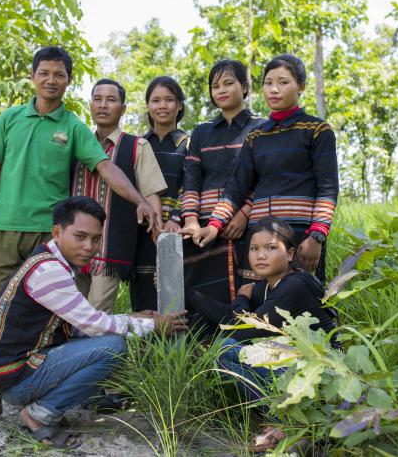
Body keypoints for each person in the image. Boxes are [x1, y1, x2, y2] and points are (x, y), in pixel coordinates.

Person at [0, 46, 159, 420]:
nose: (51, 80)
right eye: (44, 73)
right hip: (2, 229)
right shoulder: (10, 118)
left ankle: (51, 388)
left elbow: (105, 167)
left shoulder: (73, 127)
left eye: (59, 74)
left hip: (47, 239)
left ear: (68, 80)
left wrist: (140, 200)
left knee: (55, 319)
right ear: (33, 76)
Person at [0, 196, 187, 448]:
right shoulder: (50, 271)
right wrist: (153, 325)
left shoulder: (49, 260)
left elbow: (78, 324)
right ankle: (38, 414)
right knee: (113, 347)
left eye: (96, 238)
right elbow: (93, 325)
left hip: (14, 373)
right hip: (16, 380)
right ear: (57, 232)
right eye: (80, 237)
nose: (89, 246)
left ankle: (44, 406)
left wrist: (131, 318)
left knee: (107, 339)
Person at [185, 217, 338, 453]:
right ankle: (285, 419)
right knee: (223, 353)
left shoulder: (295, 285)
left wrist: (243, 299)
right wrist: (187, 293)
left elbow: (245, 331)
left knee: (225, 348)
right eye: (254, 249)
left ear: (290, 254)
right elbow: (230, 317)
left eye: (270, 248)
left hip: (326, 375)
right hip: (300, 370)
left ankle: (290, 423)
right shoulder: (268, 286)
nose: (261, 255)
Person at [183, 54, 339, 284]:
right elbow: (237, 187)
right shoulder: (256, 136)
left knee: (298, 302)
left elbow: (328, 189)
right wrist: (215, 226)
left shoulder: (317, 130)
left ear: (301, 87)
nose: (274, 89)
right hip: (258, 235)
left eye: (283, 82)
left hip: (300, 233)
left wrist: (317, 235)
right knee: (256, 302)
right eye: (268, 83)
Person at [72, 78, 167, 313]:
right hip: (72, 246)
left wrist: (158, 233)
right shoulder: (74, 144)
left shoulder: (137, 146)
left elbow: (151, 193)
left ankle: (94, 350)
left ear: (123, 109)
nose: (103, 105)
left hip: (110, 248)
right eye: (97, 99)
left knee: (95, 315)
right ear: (90, 105)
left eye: (111, 100)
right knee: (69, 313)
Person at [180, 59, 265, 302]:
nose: (221, 90)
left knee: (250, 288)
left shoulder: (261, 127)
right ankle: (206, 340)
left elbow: (265, 178)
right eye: (215, 86)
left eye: (229, 83)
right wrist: (192, 220)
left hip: (247, 223)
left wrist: (243, 214)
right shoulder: (201, 132)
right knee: (204, 293)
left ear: (245, 87)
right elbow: (192, 179)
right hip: (205, 226)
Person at [130, 76, 189, 311]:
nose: (162, 106)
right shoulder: (137, 144)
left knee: (175, 284)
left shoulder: (189, 144)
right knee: (143, 285)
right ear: (148, 106)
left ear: (180, 105)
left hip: (177, 228)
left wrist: (176, 217)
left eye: (169, 100)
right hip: (142, 227)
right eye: (155, 100)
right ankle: (142, 343)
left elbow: (191, 184)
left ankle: (176, 343)